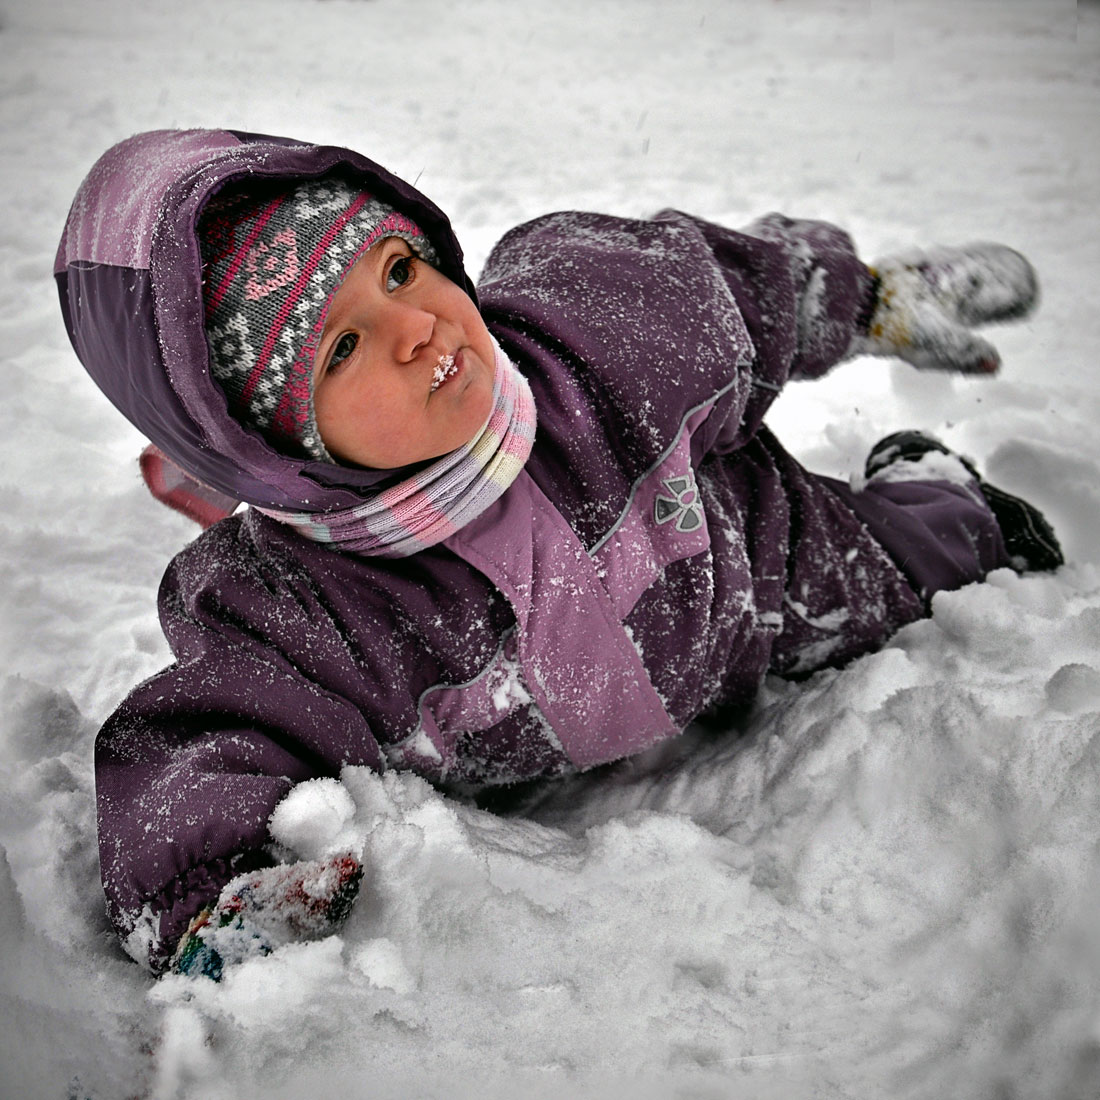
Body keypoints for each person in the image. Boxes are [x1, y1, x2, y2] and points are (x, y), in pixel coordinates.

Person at [55, 128, 1062, 980]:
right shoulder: (302, 614)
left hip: (756, 565)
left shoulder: (597, 327)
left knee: (947, 551)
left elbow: (737, 288)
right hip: (592, 690)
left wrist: (869, 298)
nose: (414, 326)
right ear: (269, 447)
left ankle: (927, 476)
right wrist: (209, 901)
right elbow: (197, 749)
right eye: (340, 349)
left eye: (398, 270)